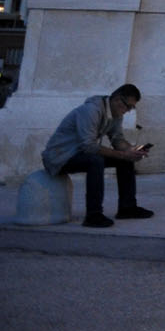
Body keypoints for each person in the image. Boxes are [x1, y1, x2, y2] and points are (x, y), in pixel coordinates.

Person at [42, 83, 152, 227]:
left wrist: (131, 151)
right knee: (96, 160)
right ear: (118, 99)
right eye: (128, 106)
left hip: (80, 154)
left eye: (132, 108)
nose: (128, 111)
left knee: (125, 160)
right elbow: (89, 146)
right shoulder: (91, 110)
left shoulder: (116, 113)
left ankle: (127, 208)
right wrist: (123, 154)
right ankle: (93, 215)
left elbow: (117, 139)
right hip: (59, 158)